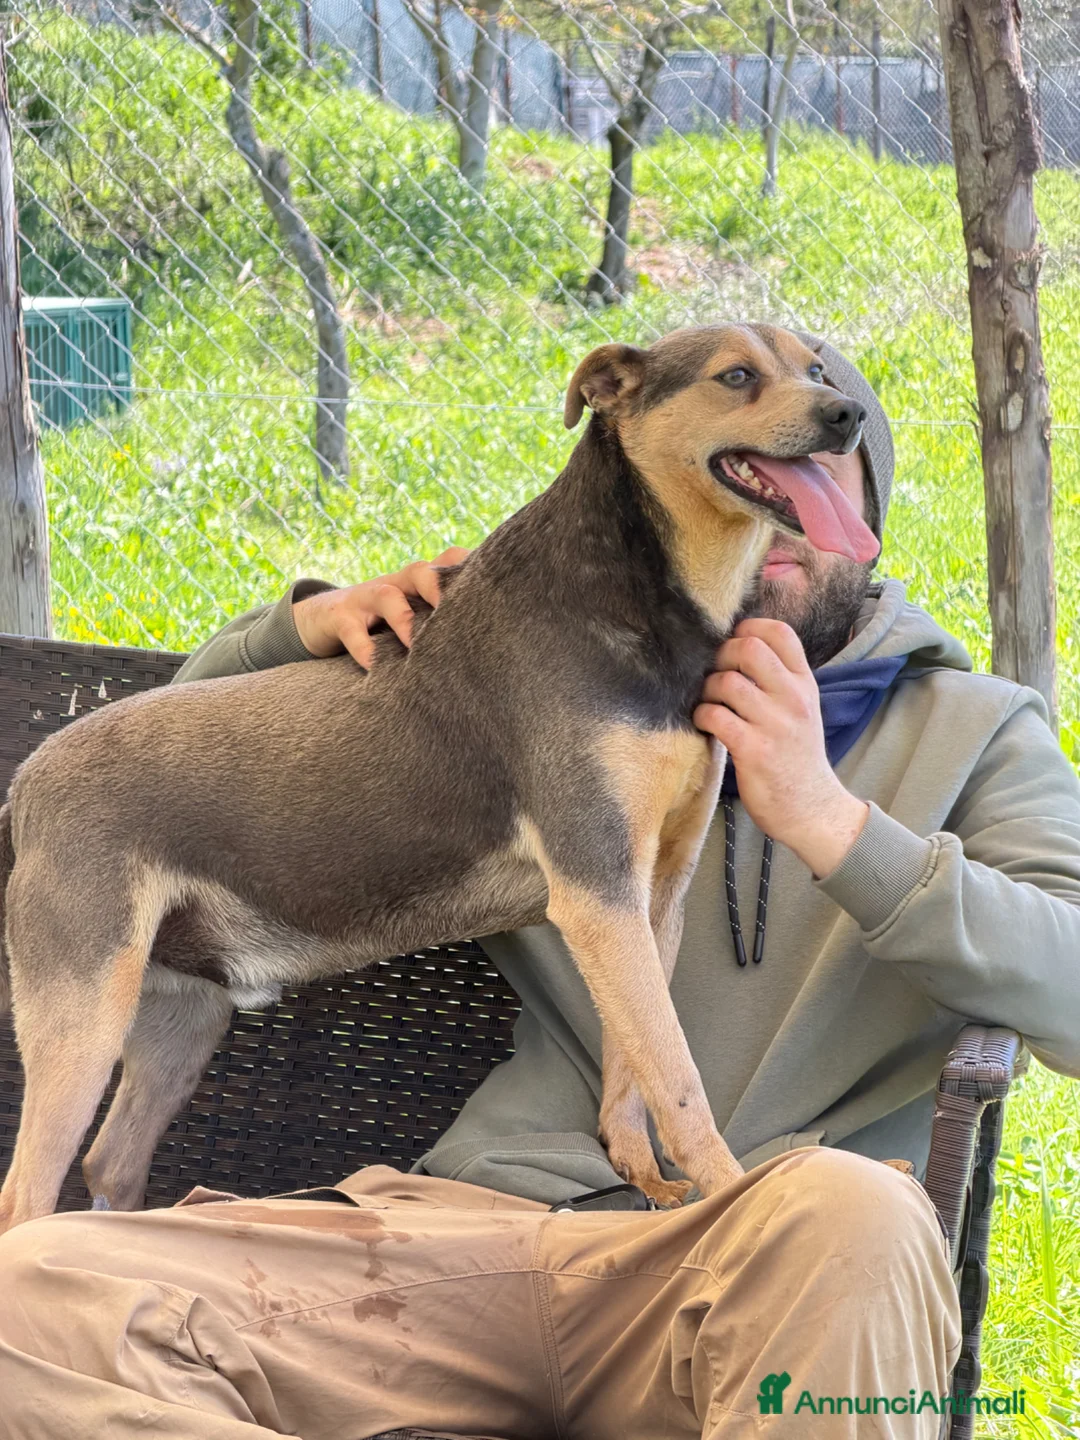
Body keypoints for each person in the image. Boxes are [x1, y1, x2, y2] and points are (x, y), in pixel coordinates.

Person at [0, 335, 1078, 1440]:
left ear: (867, 510)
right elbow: (167, 785)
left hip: (766, 1259)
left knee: (860, 1216)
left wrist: (833, 821)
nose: (784, 490)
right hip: (459, 1247)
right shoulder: (555, 666)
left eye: (820, 455)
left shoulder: (976, 730)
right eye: (751, 429)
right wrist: (297, 630)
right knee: (23, 1297)